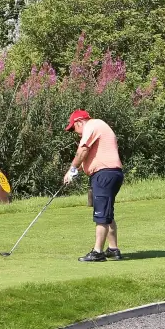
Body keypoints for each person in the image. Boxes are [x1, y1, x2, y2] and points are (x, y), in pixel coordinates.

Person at [63, 109, 125, 262]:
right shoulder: (98, 126)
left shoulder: (92, 126)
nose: (75, 132)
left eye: (73, 128)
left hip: (104, 174)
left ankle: (97, 252)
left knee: (101, 215)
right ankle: (113, 249)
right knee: (107, 211)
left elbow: (83, 150)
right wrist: (78, 169)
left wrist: (71, 170)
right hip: (110, 174)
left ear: (79, 122)